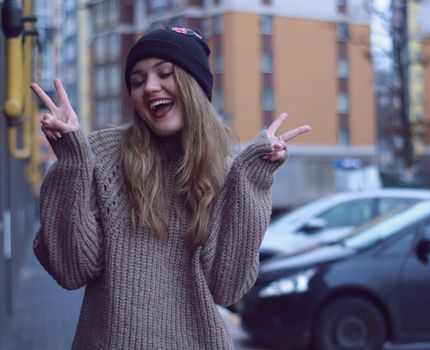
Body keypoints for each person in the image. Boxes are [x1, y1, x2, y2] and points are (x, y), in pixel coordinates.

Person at [30, 26, 311, 349]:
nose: (149, 87)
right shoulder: (101, 155)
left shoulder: (227, 172)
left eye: (165, 73)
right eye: (137, 81)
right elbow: (72, 269)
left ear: (195, 86)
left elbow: (226, 288)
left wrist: (253, 179)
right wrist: (71, 162)